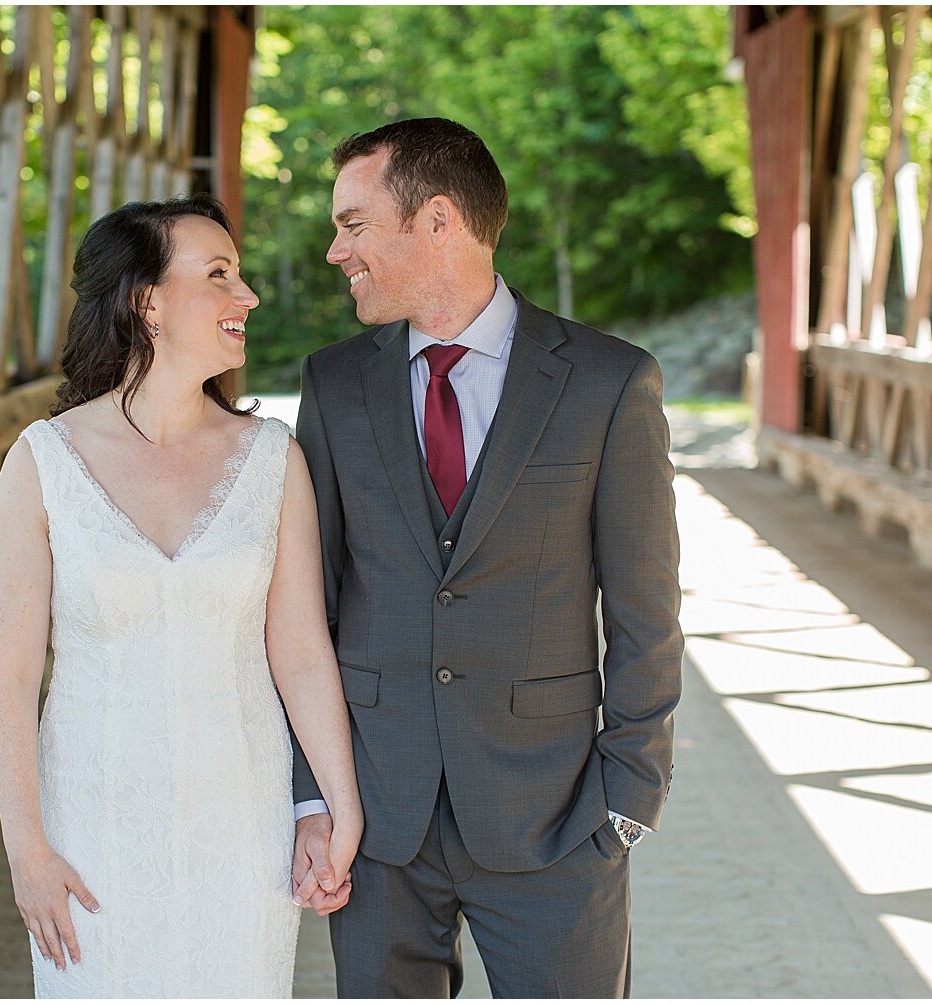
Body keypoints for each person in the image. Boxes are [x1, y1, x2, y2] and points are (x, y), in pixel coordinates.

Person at [290, 118, 683, 997]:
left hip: (555, 818)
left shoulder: (608, 382)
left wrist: (628, 800)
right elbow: (304, 610)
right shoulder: (335, 384)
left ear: (436, 221)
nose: (333, 250)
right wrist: (312, 799)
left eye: (353, 224)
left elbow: (645, 611)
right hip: (378, 818)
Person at [0, 194, 362, 998]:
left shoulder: (271, 458)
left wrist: (335, 804)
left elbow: (299, 651)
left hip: (242, 822)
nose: (246, 295)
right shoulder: (41, 462)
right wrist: (27, 852)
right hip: (90, 825)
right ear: (146, 301)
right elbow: (10, 682)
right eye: (219, 274)